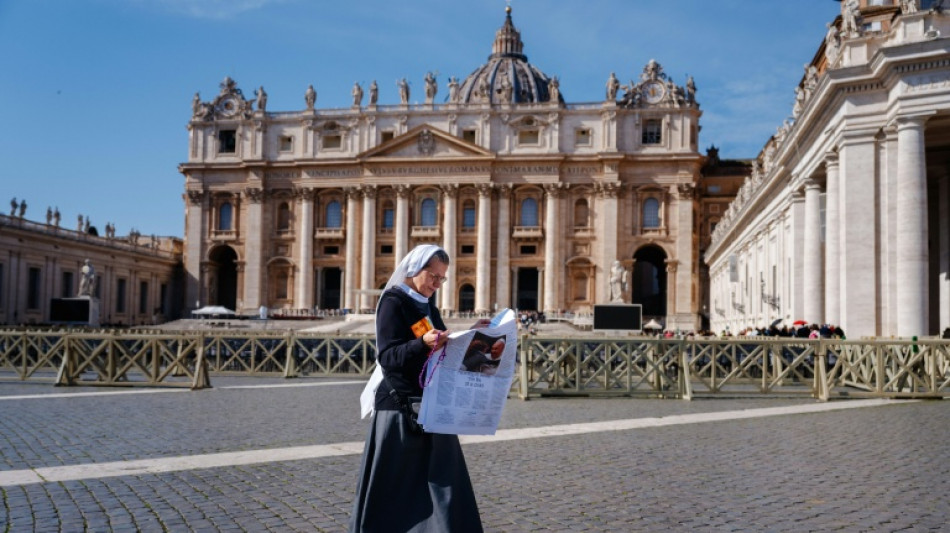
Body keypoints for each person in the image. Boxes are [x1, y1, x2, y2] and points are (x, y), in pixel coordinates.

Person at [351, 244, 485, 532]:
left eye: (442, 278)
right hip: (400, 407)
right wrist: (420, 344)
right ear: (415, 269)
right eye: (433, 276)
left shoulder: (428, 305)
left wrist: (475, 332)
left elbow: (444, 344)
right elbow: (387, 357)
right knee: (396, 487)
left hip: (431, 403)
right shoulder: (393, 302)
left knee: (443, 480)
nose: (437, 284)